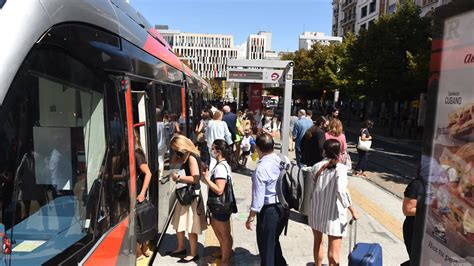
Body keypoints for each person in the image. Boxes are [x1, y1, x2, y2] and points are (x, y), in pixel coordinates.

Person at [309, 139, 358, 266]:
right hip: (334, 213)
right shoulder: (340, 169)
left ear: (324, 151)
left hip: (316, 210)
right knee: (334, 251)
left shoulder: (315, 167)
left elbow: (311, 190)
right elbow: (341, 191)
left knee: (317, 242)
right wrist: (352, 209)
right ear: (339, 152)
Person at [245, 133, 288, 266]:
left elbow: (258, 198)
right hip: (283, 207)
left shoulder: (261, 169)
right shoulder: (283, 159)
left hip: (269, 210)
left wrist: (251, 217)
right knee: (274, 240)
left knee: (266, 247)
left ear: (257, 148)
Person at [168, 135, 207, 263]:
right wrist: (175, 153)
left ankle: (193, 253)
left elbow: (195, 178)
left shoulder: (191, 157)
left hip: (191, 196)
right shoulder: (186, 156)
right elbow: (173, 161)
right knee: (179, 223)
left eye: (175, 148)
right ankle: (180, 247)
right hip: (184, 194)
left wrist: (178, 178)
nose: (174, 151)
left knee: (191, 226)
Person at [201, 140, 234, 265]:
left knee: (224, 234)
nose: (212, 151)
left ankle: (225, 260)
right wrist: (206, 177)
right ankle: (223, 251)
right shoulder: (221, 165)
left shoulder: (221, 167)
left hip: (221, 206)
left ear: (219, 151)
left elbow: (219, 190)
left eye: (214, 148)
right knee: (218, 230)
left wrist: (206, 180)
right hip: (219, 206)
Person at [134, 129, 153, 259]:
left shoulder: (136, 153)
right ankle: (142, 248)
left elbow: (148, 173)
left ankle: (141, 250)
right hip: (135, 192)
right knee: (140, 222)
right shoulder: (137, 151)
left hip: (137, 192)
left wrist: (142, 193)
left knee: (138, 223)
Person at [402, 171, 424, 265]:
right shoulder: (417, 185)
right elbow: (407, 210)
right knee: (417, 260)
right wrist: (428, 212)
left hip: (427, 230)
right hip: (414, 229)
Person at [156, 109, 167, 181]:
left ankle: (158, 175)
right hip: (162, 145)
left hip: (156, 146)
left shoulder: (155, 125)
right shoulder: (163, 124)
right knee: (161, 160)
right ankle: (161, 176)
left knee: (158, 161)